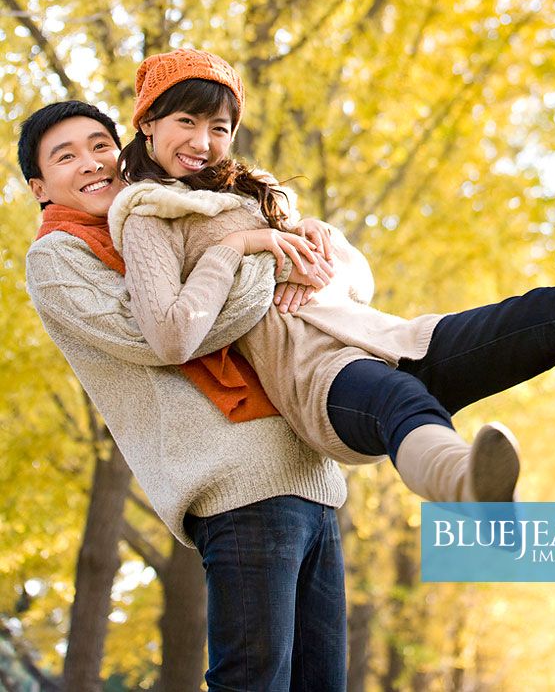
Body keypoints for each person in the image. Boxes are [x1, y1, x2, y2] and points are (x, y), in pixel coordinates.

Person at [112, 48, 555, 508]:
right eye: (186, 123)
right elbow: (172, 333)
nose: (204, 144)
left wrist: (323, 246)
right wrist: (237, 246)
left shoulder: (260, 192)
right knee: (402, 405)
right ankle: (470, 488)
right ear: (148, 125)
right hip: (319, 385)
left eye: (220, 129)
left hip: (394, 336)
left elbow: (356, 279)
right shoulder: (148, 216)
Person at [20, 100, 348, 692]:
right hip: (236, 484)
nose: (93, 162)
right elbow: (169, 334)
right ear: (39, 187)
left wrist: (295, 241)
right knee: (252, 681)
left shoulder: (166, 219)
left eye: (100, 145)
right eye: (66, 156)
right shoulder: (57, 258)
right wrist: (263, 254)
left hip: (308, 472)